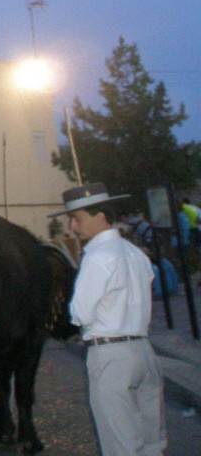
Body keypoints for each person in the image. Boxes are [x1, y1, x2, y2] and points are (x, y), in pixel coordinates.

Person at [61, 182, 166, 456]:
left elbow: (80, 312)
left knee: (121, 444)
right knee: (151, 442)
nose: (72, 226)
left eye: (77, 219)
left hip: (111, 355)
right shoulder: (135, 253)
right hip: (143, 350)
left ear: (100, 217)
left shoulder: (97, 256)